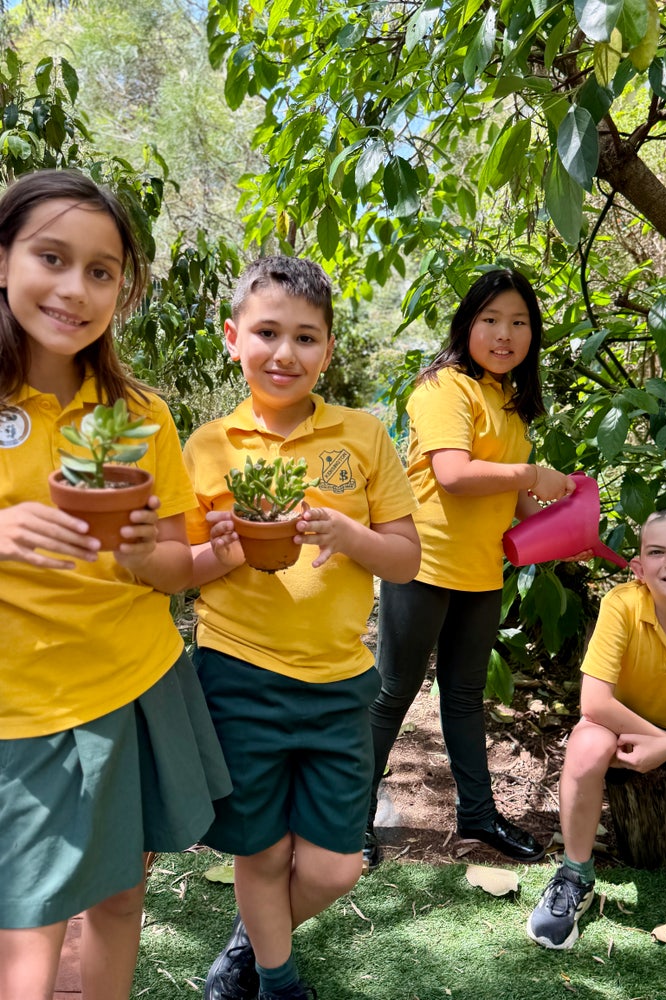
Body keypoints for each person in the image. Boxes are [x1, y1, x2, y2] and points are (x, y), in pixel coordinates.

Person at [0, 169, 231, 1000]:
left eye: (101, 271)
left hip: (133, 685)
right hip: (20, 710)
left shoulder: (139, 414)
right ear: (2, 260)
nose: (75, 289)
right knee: (27, 926)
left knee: (123, 894)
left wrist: (141, 553)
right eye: (51, 257)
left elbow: (175, 568)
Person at [183, 255, 421, 1000]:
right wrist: (217, 547)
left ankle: (253, 937)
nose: (285, 353)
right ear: (233, 337)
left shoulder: (363, 434)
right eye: (267, 332)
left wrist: (350, 536)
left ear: (329, 347)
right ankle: (278, 979)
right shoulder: (208, 446)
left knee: (333, 865)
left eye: (307, 338)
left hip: (338, 681)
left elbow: (408, 560)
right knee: (260, 851)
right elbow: (178, 567)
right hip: (237, 674)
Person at [366, 267, 578, 868]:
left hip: (482, 570)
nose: (505, 333)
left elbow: (512, 498)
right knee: (392, 692)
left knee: (463, 695)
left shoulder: (509, 404)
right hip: (423, 562)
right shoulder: (444, 388)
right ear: (468, 325)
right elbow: (454, 476)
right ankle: (352, 815)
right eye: (491, 319)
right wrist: (533, 476)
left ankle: (478, 816)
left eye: (519, 322)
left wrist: (563, 517)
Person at [526, 508, 666, 984]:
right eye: (657, 552)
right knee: (584, 752)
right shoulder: (622, 604)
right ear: (638, 568)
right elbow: (595, 701)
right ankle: (575, 876)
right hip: (624, 717)